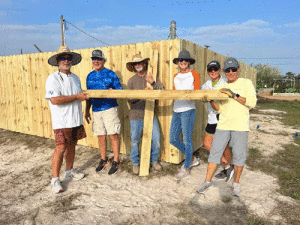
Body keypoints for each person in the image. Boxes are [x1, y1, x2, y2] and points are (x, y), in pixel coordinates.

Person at [196, 57, 257, 196]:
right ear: (224, 71)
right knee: (214, 154)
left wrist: (234, 95)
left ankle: (236, 184)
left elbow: (252, 103)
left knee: (239, 156)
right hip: (223, 125)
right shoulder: (221, 88)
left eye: (233, 69)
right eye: (228, 70)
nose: (231, 72)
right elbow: (220, 109)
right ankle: (207, 181)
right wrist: (211, 101)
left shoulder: (246, 83)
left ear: (238, 69)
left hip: (240, 126)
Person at [45, 45, 89, 193]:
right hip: (61, 121)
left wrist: (82, 97)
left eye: (68, 58)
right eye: (63, 58)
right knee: (61, 148)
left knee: (72, 146)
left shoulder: (75, 78)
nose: (66, 60)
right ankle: (55, 180)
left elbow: (78, 95)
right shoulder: (53, 78)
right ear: (58, 61)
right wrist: (77, 96)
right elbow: (55, 100)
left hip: (75, 119)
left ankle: (69, 170)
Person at [85, 50, 123, 175]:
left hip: (110, 108)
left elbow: (120, 90)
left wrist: (113, 91)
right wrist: (87, 110)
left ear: (103, 61)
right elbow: (89, 95)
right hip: (96, 110)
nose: (96, 61)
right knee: (101, 136)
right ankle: (104, 159)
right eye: (94, 59)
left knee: (113, 135)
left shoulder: (111, 74)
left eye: (98, 59)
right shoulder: (89, 76)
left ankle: (116, 160)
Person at [126, 54, 163, 175]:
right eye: (135, 64)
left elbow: (161, 92)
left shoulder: (151, 77)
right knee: (135, 141)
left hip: (150, 114)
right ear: (133, 66)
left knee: (156, 139)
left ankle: (154, 161)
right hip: (135, 116)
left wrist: (152, 83)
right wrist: (142, 94)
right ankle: (136, 164)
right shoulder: (131, 81)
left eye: (139, 63)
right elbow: (129, 100)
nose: (137, 65)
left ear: (144, 64)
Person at [170, 50, 201, 180]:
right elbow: (173, 93)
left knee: (187, 140)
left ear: (189, 62)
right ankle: (192, 158)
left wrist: (190, 94)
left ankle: (186, 167)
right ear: (178, 62)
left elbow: (197, 92)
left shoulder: (194, 74)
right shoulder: (175, 76)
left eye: (186, 60)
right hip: (176, 109)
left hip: (188, 109)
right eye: (181, 60)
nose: (183, 62)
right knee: (173, 139)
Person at [201, 60, 234, 182]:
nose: (213, 72)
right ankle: (227, 166)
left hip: (224, 119)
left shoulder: (226, 83)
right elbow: (202, 98)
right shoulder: (206, 85)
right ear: (208, 72)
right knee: (206, 144)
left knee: (224, 147)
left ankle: (227, 169)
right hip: (211, 119)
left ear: (220, 70)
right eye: (210, 70)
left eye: (215, 69)